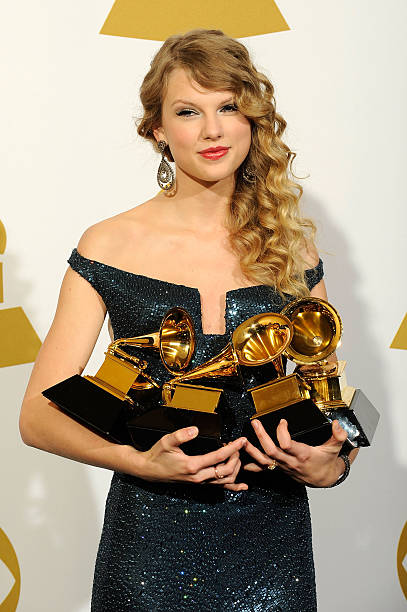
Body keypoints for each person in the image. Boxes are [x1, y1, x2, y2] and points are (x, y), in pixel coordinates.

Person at [20, 29, 357, 611]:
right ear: (156, 129)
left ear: (253, 120)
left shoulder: (291, 247)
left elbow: (335, 405)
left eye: (228, 107)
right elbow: (37, 417)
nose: (212, 129)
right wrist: (137, 460)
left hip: (273, 552)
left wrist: (335, 464)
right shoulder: (109, 243)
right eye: (187, 111)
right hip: (147, 548)